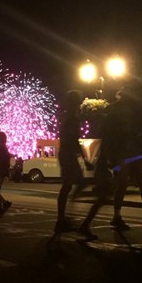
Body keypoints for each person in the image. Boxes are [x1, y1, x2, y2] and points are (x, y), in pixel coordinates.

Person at [78, 85, 142, 240]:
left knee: (129, 184)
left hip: (127, 153)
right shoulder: (122, 111)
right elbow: (111, 134)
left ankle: (129, 216)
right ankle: (138, 216)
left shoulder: (121, 110)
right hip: (124, 152)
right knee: (126, 185)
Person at [54, 90, 86, 233]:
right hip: (68, 154)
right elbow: (73, 140)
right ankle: (63, 218)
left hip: (66, 153)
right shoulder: (73, 117)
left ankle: (64, 217)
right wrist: (84, 158)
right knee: (72, 185)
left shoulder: (67, 116)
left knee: (68, 186)